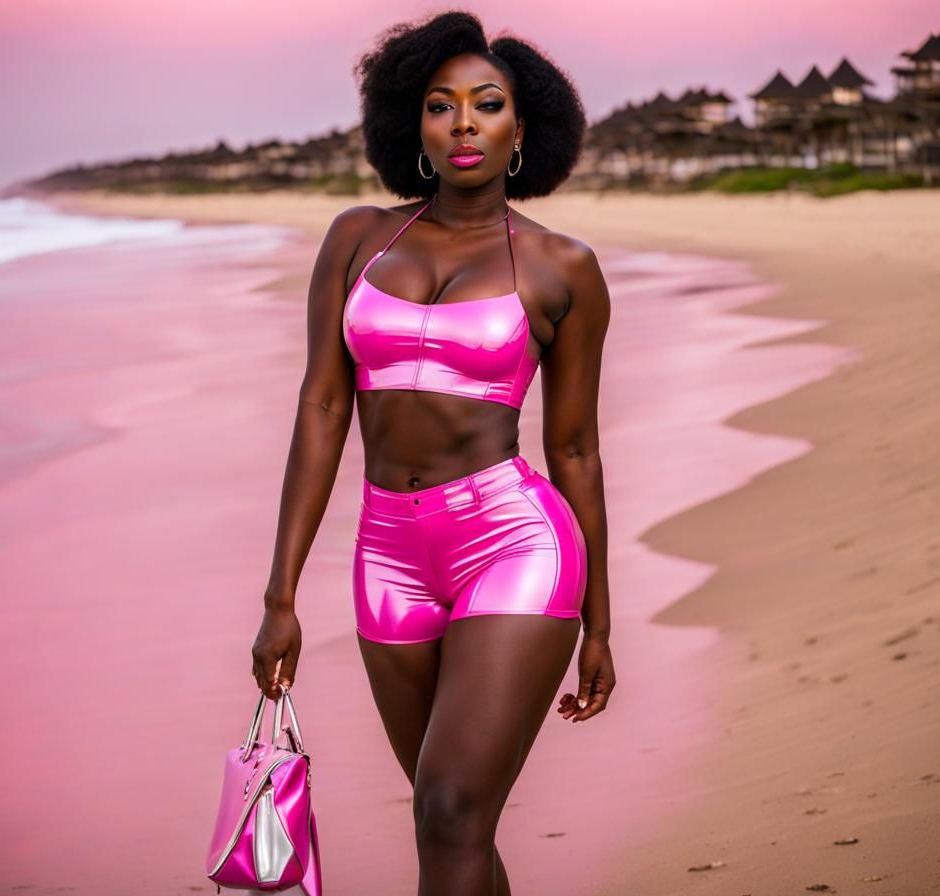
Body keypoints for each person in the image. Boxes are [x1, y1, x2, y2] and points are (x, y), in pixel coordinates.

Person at [250, 10, 613, 895]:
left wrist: (598, 623)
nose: (463, 124)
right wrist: (280, 595)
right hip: (388, 554)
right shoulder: (357, 239)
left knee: (450, 810)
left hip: (513, 543)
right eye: (441, 106)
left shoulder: (562, 267)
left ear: (523, 129)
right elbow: (322, 405)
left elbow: (573, 449)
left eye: (487, 105)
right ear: (411, 124)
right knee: (448, 820)